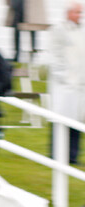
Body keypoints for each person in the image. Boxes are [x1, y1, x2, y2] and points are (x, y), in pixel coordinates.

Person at [49, 1, 85, 166]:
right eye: (77, 12)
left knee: (77, 121)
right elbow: (55, 55)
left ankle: (72, 156)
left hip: (79, 85)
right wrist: (63, 76)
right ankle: (56, 154)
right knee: (61, 119)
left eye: (81, 12)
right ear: (68, 13)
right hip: (64, 85)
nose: (80, 16)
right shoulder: (59, 30)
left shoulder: (81, 30)